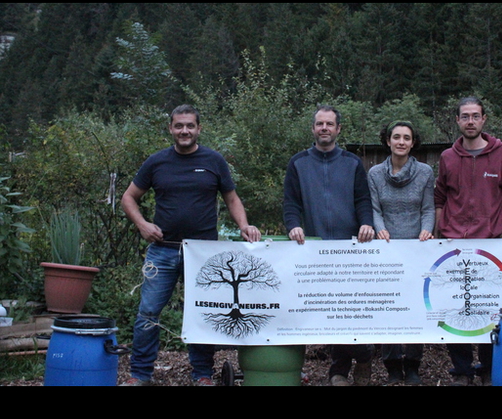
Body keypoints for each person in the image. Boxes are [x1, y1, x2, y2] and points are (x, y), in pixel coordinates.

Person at [120, 104, 261, 386]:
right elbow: (128, 197)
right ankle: (140, 375)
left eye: (190, 126)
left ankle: (202, 374)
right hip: (163, 250)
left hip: (203, 252)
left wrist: (244, 225)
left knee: (202, 312)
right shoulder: (156, 162)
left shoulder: (214, 160)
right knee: (148, 312)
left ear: (199, 129)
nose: (184, 131)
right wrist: (142, 224)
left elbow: (231, 198)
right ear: (171, 128)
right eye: (179, 126)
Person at [434, 96, 502, 386]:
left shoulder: (501, 154)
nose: (470, 121)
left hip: (490, 247)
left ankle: (489, 370)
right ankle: (462, 371)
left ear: (483, 119)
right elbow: (440, 197)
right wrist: (438, 235)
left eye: (475, 116)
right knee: (456, 309)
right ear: (457, 120)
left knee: (489, 311)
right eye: (465, 116)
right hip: (453, 247)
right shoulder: (447, 157)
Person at [283, 104, 375, 386]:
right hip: (315, 249)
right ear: (313, 128)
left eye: (329, 124)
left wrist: (367, 223)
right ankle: (338, 371)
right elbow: (291, 202)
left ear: (338, 129)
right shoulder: (298, 163)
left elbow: (363, 199)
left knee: (353, 309)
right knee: (330, 312)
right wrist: (293, 225)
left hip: (351, 248)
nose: (324, 128)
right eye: (320, 124)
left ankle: (364, 360)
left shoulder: (352, 163)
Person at [367, 120, 434, 385]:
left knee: (416, 307)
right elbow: (374, 209)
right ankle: (392, 367)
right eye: (396, 137)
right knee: (389, 307)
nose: (401, 142)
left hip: (417, 248)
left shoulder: (425, 172)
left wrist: (427, 230)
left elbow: (428, 208)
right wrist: (380, 229)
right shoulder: (374, 173)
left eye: (407, 138)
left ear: (413, 142)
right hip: (386, 249)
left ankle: (413, 365)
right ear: (388, 141)